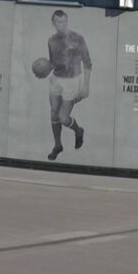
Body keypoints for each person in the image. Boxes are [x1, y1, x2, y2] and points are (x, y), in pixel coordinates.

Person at [44, 8, 92, 160]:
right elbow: (53, 63)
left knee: (63, 118)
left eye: (64, 21)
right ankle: (57, 145)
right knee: (53, 113)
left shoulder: (78, 39)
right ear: (53, 23)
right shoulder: (51, 41)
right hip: (56, 80)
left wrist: (85, 86)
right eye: (58, 22)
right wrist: (43, 70)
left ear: (67, 21)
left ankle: (78, 131)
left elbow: (87, 63)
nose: (62, 24)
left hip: (72, 81)